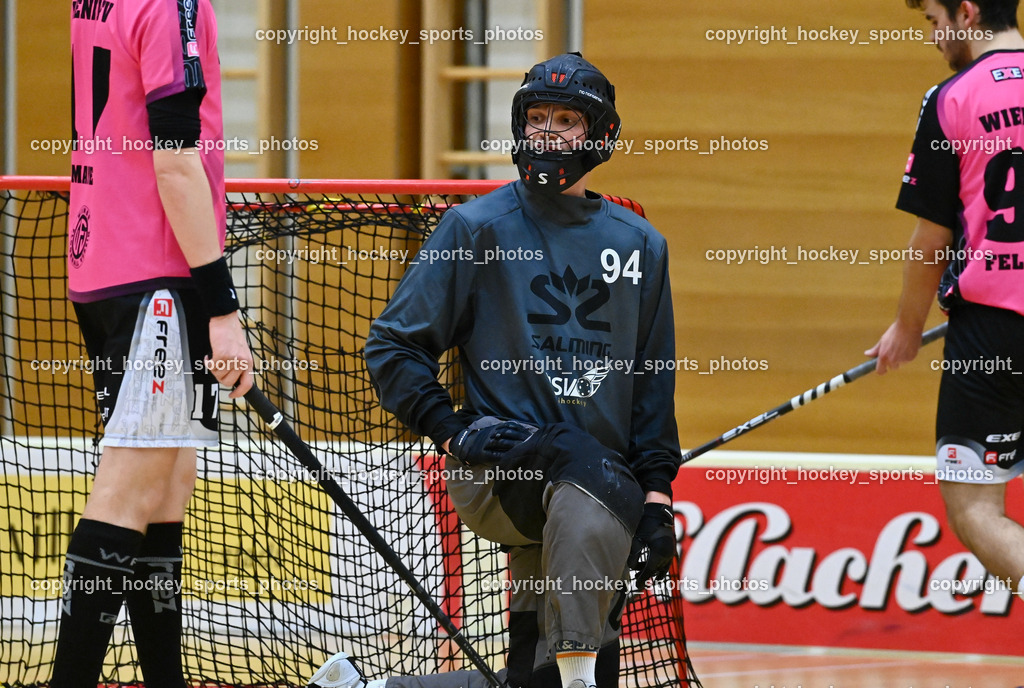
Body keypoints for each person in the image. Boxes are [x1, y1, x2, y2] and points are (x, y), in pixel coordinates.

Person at [358, 53, 682, 688]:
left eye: (566, 120)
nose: (547, 133)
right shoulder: (475, 228)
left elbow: (651, 386)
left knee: (534, 673)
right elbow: (392, 346)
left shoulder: (642, 245)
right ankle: (581, 678)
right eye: (536, 118)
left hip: (601, 490)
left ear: (599, 138)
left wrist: (658, 501)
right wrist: (453, 432)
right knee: (579, 465)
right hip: (497, 472)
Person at [53, 1, 253, 686]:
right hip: (157, 274)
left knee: (167, 488)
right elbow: (174, 161)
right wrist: (222, 307)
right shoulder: (172, 5)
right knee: (127, 493)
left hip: (103, 263)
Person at [867, 0, 1024, 600]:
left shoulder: (951, 99)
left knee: (977, 511)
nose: (934, 38)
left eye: (934, 22)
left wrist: (907, 328)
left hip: (991, 336)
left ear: (965, 11)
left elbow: (931, 238)